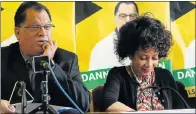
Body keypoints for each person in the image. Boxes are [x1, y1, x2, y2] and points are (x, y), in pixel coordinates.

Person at [1, 2, 90, 113]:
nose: (43, 33)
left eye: (47, 27)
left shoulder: (67, 60)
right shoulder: (3, 58)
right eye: (35, 27)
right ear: (17, 32)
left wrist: (50, 65)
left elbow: (84, 104)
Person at [102, 15, 187, 112]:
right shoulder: (117, 75)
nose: (149, 64)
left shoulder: (165, 76)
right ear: (130, 54)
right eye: (143, 58)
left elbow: (180, 108)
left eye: (155, 58)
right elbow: (108, 103)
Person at [89, 2, 139, 71]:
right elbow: (94, 81)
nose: (128, 20)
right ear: (115, 18)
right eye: (123, 16)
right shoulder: (101, 48)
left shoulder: (146, 43)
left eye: (132, 16)